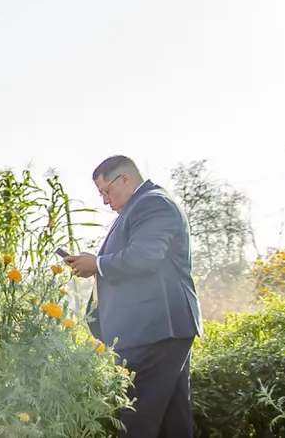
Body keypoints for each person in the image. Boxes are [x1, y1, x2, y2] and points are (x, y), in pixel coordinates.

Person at [64, 156, 202, 437]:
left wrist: (98, 264)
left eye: (106, 191)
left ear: (125, 179)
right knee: (172, 423)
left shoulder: (153, 204)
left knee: (136, 420)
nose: (104, 200)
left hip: (155, 331)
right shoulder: (138, 208)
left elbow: (145, 257)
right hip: (156, 330)